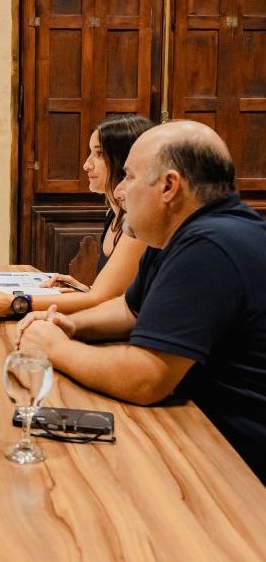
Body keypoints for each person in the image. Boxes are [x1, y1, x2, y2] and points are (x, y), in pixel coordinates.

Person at [17, 120, 266, 482]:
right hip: (197, 432)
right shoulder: (174, 235)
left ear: (169, 186)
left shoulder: (210, 246)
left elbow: (147, 379)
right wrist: (71, 325)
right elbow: (130, 309)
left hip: (237, 465)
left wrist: (56, 348)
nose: (119, 191)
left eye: (129, 177)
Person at [0, 115, 153, 321]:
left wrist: (16, 303)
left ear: (125, 160)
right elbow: (113, 296)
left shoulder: (138, 225)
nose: (86, 165)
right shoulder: (113, 213)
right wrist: (84, 290)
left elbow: (101, 300)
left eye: (99, 154)